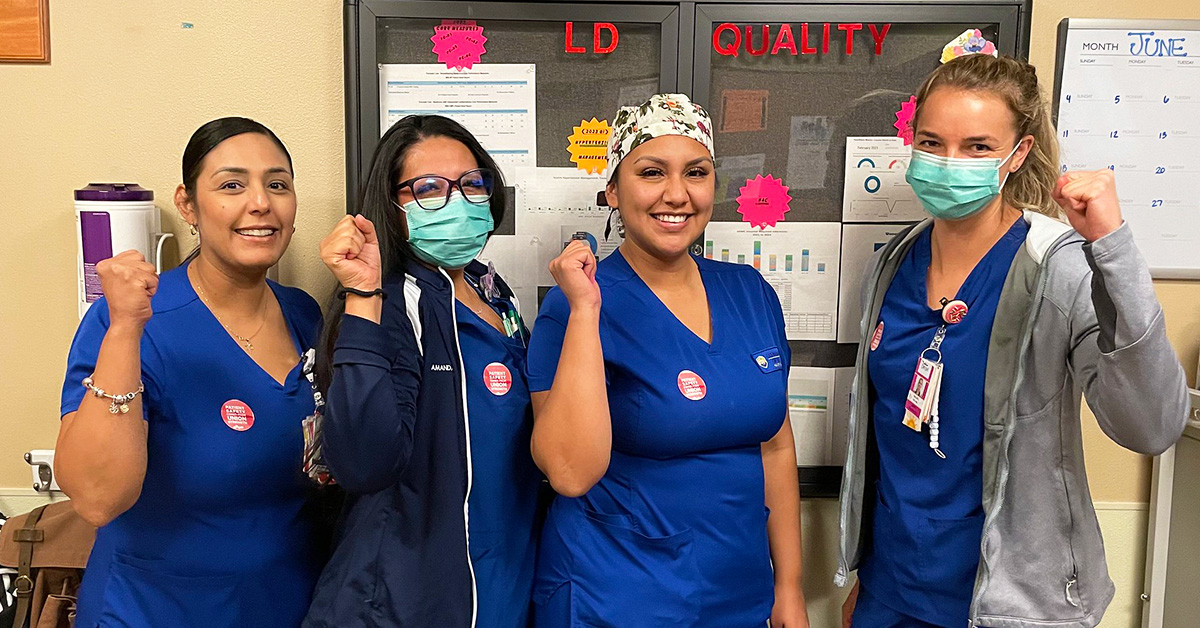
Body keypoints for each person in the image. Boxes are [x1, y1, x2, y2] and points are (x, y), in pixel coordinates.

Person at [836, 54, 1189, 628]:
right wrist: (865, 575)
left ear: (1017, 153)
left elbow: (1152, 426)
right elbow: (885, 441)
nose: (949, 163)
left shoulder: (1057, 269)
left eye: (977, 147)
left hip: (1013, 605)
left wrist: (1113, 248)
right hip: (891, 590)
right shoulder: (894, 265)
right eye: (932, 142)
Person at [526, 94, 810, 627]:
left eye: (696, 173)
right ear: (613, 189)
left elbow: (775, 446)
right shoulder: (576, 301)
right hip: (614, 596)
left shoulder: (750, 292)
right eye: (651, 172)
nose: (676, 194)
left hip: (739, 590)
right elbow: (568, 472)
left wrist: (789, 588)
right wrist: (587, 312)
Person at [55, 117, 323, 627]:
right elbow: (96, 498)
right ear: (187, 204)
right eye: (231, 185)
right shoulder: (136, 321)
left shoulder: (305, 315)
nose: (260, 202)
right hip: (154, 610)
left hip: (286, 604)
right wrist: (125, 328)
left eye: (278, 184)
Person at [303, 115, 540, 628]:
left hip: (499, 584)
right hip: (400, 603)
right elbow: (364, 464)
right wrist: (363, 293)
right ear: (392, 205)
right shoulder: (389, 300)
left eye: (471, 182)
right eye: (428, 189)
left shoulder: (497, 294)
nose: (457, 200)